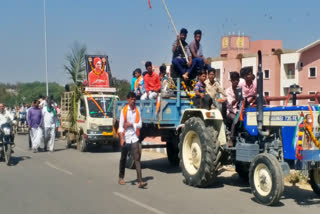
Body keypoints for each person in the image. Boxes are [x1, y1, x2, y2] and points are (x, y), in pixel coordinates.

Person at [118, 92, 147, 188]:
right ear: (128, 100)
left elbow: (140, 124)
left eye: (134, 99)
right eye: (131, 99)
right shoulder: (124, 111)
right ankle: (121, 177)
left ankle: (140, 181)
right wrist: (122, 138)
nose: (133, 101)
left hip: (134, 137)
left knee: (137, 159)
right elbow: (121, 126)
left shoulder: (137, 110)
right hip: (126, 138)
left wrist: (131, 124)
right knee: (123, 158)